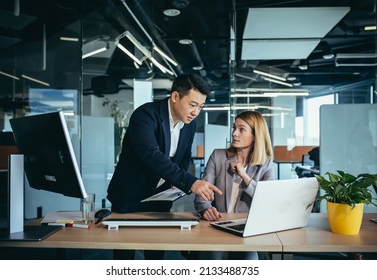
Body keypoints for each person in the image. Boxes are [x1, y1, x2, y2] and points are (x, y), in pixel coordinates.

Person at [107, 73, 222, 259]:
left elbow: (184, 157)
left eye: (200, 107)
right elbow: (150, 155)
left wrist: (177, 182)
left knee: (155, 254)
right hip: (130, 194)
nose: (196, 112)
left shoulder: (189, 125)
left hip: (160, 197)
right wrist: (190, 182)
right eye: (192, 105)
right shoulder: (145, 115)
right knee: (124, 256)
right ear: (175, 97)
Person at [194, 110, 274, 260]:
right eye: (234, 128)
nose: (234, 133)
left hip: (246, 229)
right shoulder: (218, 156)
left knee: (248, 261)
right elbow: (202, 191)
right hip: (216, 225)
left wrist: (245, 176)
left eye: (241, 129)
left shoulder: (266, 164)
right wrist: (205, 208)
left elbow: (267, 200)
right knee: (212, 259)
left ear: (256, 135)